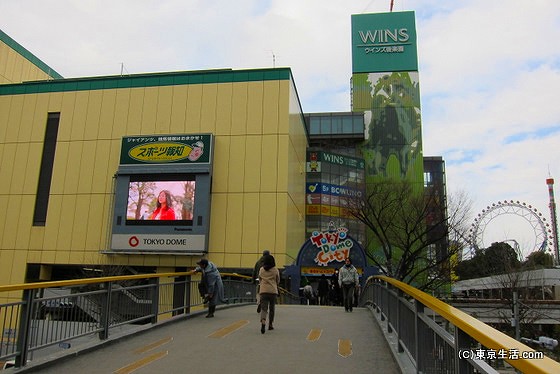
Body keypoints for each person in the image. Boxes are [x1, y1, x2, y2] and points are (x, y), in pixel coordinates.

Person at [258, 254, 279, 334]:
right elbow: (278, 280)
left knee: (264, 308)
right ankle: (270, 324)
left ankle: (263, 322)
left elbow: (260, 279)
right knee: (272, 308)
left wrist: (263, 284)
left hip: (263, 291)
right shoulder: (275, 270)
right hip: (273, 291)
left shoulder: (261, 270)